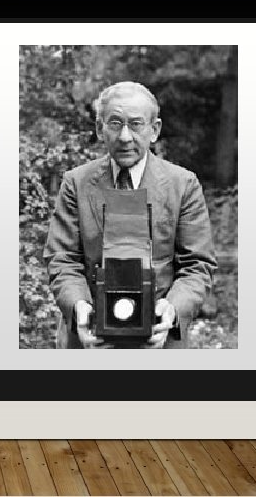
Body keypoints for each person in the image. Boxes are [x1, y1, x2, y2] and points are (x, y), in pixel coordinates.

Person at [44, 81, 217, 349]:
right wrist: (79, 307)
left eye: (136, 124)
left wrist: (172, 309)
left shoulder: (183, 185)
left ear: (154, 130)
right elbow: (62, 258)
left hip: (159, 341)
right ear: (100, 129)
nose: (125, 136)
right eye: (115, 123)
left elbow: (197, 265)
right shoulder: (75, 183)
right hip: (88, 340)